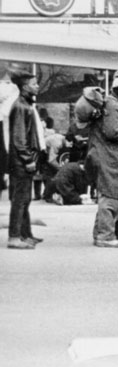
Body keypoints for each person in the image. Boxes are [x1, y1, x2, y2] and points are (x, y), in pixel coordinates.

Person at [85, 72, 118, 247]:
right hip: (108, 157)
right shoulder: (113, 106)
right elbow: (112, 131)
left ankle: (104, 232)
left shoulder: (113, 104)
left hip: (110, 156)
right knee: (109, 197)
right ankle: (104, 236)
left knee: (112, 194)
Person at [7, 70, 43, 249]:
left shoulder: (25, 105)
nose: (37, 86)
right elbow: (19, 139)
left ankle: (25, 234)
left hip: (22, 162)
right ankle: (14, 237)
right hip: (21, 163)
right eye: (34, 83)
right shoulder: (21, 106)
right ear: (24, 87)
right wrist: (28, 159)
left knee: (25, 198)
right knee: (20, 199)